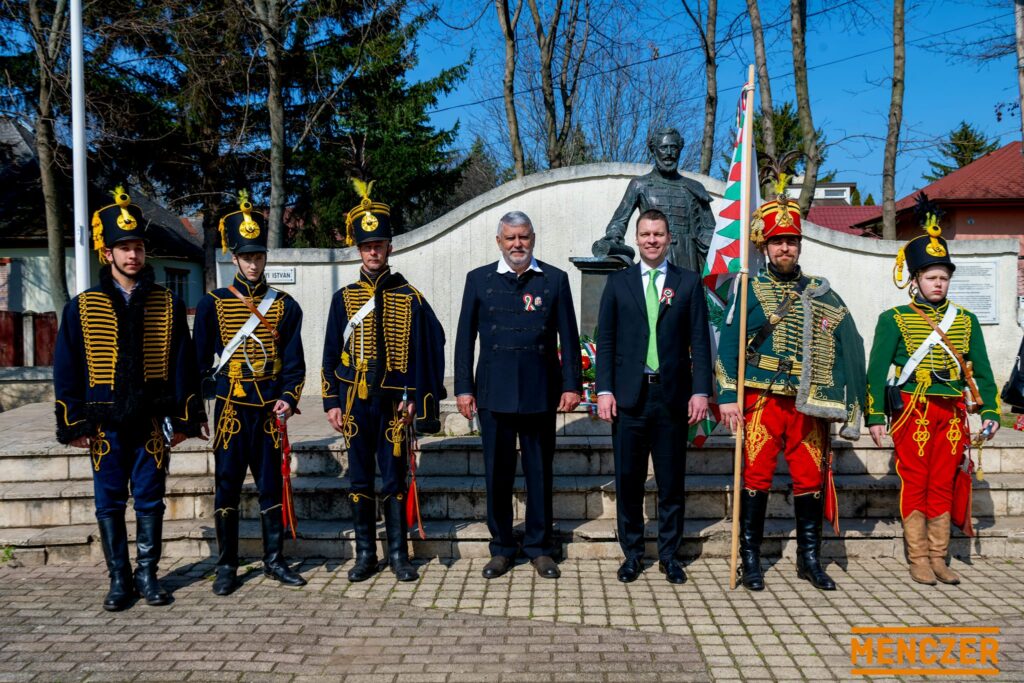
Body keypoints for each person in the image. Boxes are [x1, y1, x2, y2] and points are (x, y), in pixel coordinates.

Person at [54, 187, 205, 611]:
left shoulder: (168, 303)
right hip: (104, 424)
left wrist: (187, 420)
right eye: (124, 247)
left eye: (138, 247)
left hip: (153, 420)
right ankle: (119, 578)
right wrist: (75, 425)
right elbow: (67, 371)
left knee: (151, 498)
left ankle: (148, 575)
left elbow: (183, 365)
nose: (133, 255)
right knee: (109, 500)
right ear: (108, 253)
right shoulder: (81, 308)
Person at [716, 171, 865, 592]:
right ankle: (749, 559)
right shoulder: (747, 288)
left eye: (792, 241)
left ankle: (810, 559)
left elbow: (850, 346)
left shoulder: (822, 294)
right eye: (778, 241)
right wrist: (728, 396)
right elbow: (729, 348)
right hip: (762, 401)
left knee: (810, 478)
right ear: (764, 245)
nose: (785, 247)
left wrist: (850, 404)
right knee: (756, 477)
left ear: (799, 245)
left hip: (808, 405)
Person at [865, 193, 1000, 586]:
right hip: (912, 409)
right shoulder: (894, 319)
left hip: (953, 412)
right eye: (930, 277)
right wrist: (875, 416)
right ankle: (918, 557)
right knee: (916, 480)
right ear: (916, 280)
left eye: (943, 277)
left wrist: (990, 411)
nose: (938, 283)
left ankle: (940, 556)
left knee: (944, 480)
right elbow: (876, 372)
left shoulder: (967, 320)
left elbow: (983, 370)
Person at [322, 180, 446, 583]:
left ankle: (398, 554)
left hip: (395, 404)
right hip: (356, 403)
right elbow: (328, 356)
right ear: (358, 250)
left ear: (390, 247)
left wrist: (417, 397)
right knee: (359, 479)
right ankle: (365, 555)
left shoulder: (410, 297)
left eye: (379, 244)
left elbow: (430, 347)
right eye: (366, 246)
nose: (373, 252)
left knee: (393, 478)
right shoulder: (343, 299)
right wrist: (331, 402)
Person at [454, 211, 582, 580]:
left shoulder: (554, 280)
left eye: (523, 237)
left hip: (540, 393)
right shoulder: (478, 280)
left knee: (539, 473)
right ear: (499, 241)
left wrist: (571, 384)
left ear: (533, 238)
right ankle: (502, 548)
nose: (517, 245)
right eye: (510, 238)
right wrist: (464, 388)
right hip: (493, 394)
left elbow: (569, 339)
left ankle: (540, 548)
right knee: (498, 474)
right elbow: (465, 339)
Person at [194, 191, 307, 595]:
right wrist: (196, 412)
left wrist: (289, 397)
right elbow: (197, 361)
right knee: (226, 485)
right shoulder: (213, 304)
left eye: (258, 256)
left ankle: (274, 560)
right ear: (234, 258)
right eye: (246, 257)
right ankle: (226, 566)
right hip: (229, 410)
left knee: (271, 487)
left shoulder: (285, 306)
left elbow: (294, 363)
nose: (254, 263)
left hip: (267, 413)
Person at [595, 209, 712, 584]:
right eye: (645, 234)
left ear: (668, 238)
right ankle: (632, 555)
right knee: (628, 481)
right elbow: (607, 340)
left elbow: (699, 341)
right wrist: (604, 390)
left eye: (658, 234)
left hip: (672, 396)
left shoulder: (689, 283)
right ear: (637, 237)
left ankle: (668, 555)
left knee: (671, 482)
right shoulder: (618, 283)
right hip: (629, 398)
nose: (651, 240)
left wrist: (701, 392)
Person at [592, 128, 716, 274]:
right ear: (654, 151)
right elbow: (619, 221)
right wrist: (613, 238)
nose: (669, 153)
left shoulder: (694, 187)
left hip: (687, 257)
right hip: (655, 255)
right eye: (664, 148)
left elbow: (709, 229)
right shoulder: (639, 185)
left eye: (674, 148)